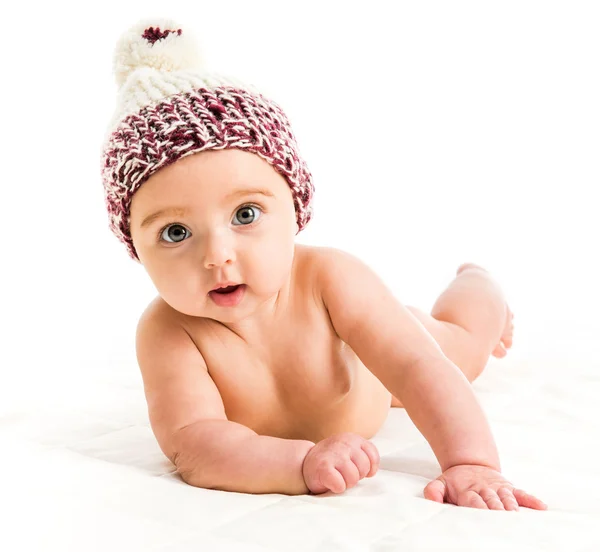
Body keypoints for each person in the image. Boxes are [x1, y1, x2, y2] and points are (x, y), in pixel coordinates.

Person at [100, 17, 546, 511]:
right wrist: (300, 464)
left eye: (245, 215)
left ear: (296, 209)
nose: (217, 256)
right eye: (175, 233)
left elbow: (416, 367)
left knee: (459, 345)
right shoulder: (167, 332)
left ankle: (481, 286)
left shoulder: (330, 279)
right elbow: (195, 442)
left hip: (383, 372)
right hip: (346, 405)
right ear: (135, 247)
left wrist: (470, 462)